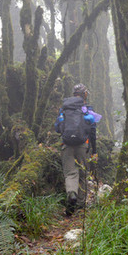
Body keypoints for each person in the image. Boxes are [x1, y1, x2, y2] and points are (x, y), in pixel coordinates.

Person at [54, 83, 101, 216]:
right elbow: (92, 131)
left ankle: (71, 194)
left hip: (66, 145)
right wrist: (94, 150)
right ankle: (80, 205)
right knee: (82, 174)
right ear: (85, 94)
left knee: (70, 173)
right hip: (83, 145)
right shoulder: (87, 110)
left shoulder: (64, 109)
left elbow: (57, 128)